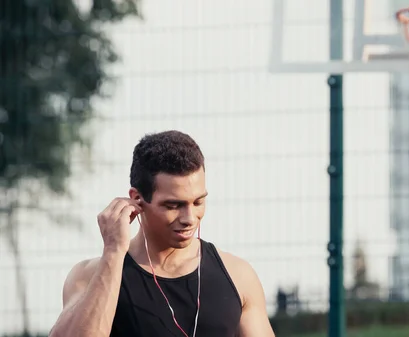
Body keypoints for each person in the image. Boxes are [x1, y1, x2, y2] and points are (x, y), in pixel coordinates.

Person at [49, 130, 275, 337]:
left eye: (198, 202)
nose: (189, 218)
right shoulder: (89, 277)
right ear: (138, 200)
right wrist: (113, 252)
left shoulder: (237, 275)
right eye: (173, 205)